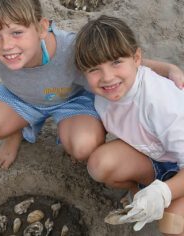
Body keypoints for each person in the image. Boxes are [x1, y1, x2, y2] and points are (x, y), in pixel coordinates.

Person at [0, 0, 183, 169]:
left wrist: (169, 68)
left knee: (83, 147)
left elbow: (122, 60)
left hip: (71, 101)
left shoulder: (71, 49)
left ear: (42, 28)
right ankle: (16, 133)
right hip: (20, 98)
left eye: (17, 33)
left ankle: (66, 132)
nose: (6, 45)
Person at [74, 15, 184, 234]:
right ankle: (140, 192)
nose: (107, 77)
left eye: (116, 62)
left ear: (137, 58)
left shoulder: (161, 101)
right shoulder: (103, 94)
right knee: (99, 164)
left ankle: (160, 196)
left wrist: (164, 193)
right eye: (94, 69)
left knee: (173, 227)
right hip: (156, 155)